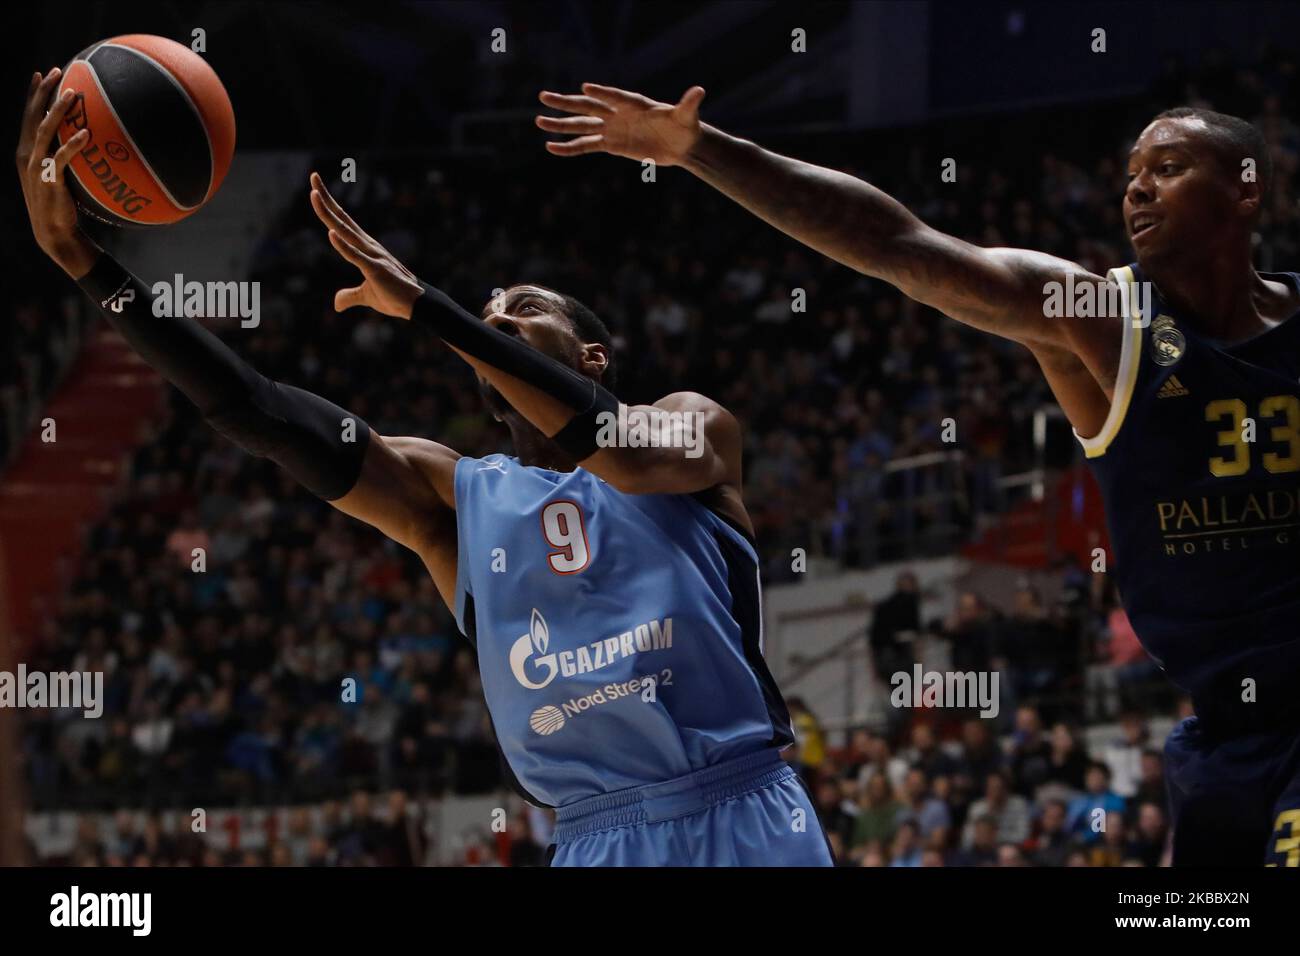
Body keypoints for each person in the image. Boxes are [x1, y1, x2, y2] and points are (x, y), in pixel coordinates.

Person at [17, 68, 832, 867]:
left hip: (743, 810)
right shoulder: (453, 500)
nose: (501, 316)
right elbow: (257, 410)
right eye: (490, 316)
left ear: (592, 355)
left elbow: (619, 448)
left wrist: (429, 307)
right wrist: (93, 270)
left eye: (525, 308)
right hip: (595, 838)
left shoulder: (695, 430)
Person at [537, 82, 1300, 865]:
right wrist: (699, 149)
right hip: (1221, 742)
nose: (1138, 187)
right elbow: (898, 245)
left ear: (1247, 187)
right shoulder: (1100, 318)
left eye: (1168, 166)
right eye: (1132, 173)